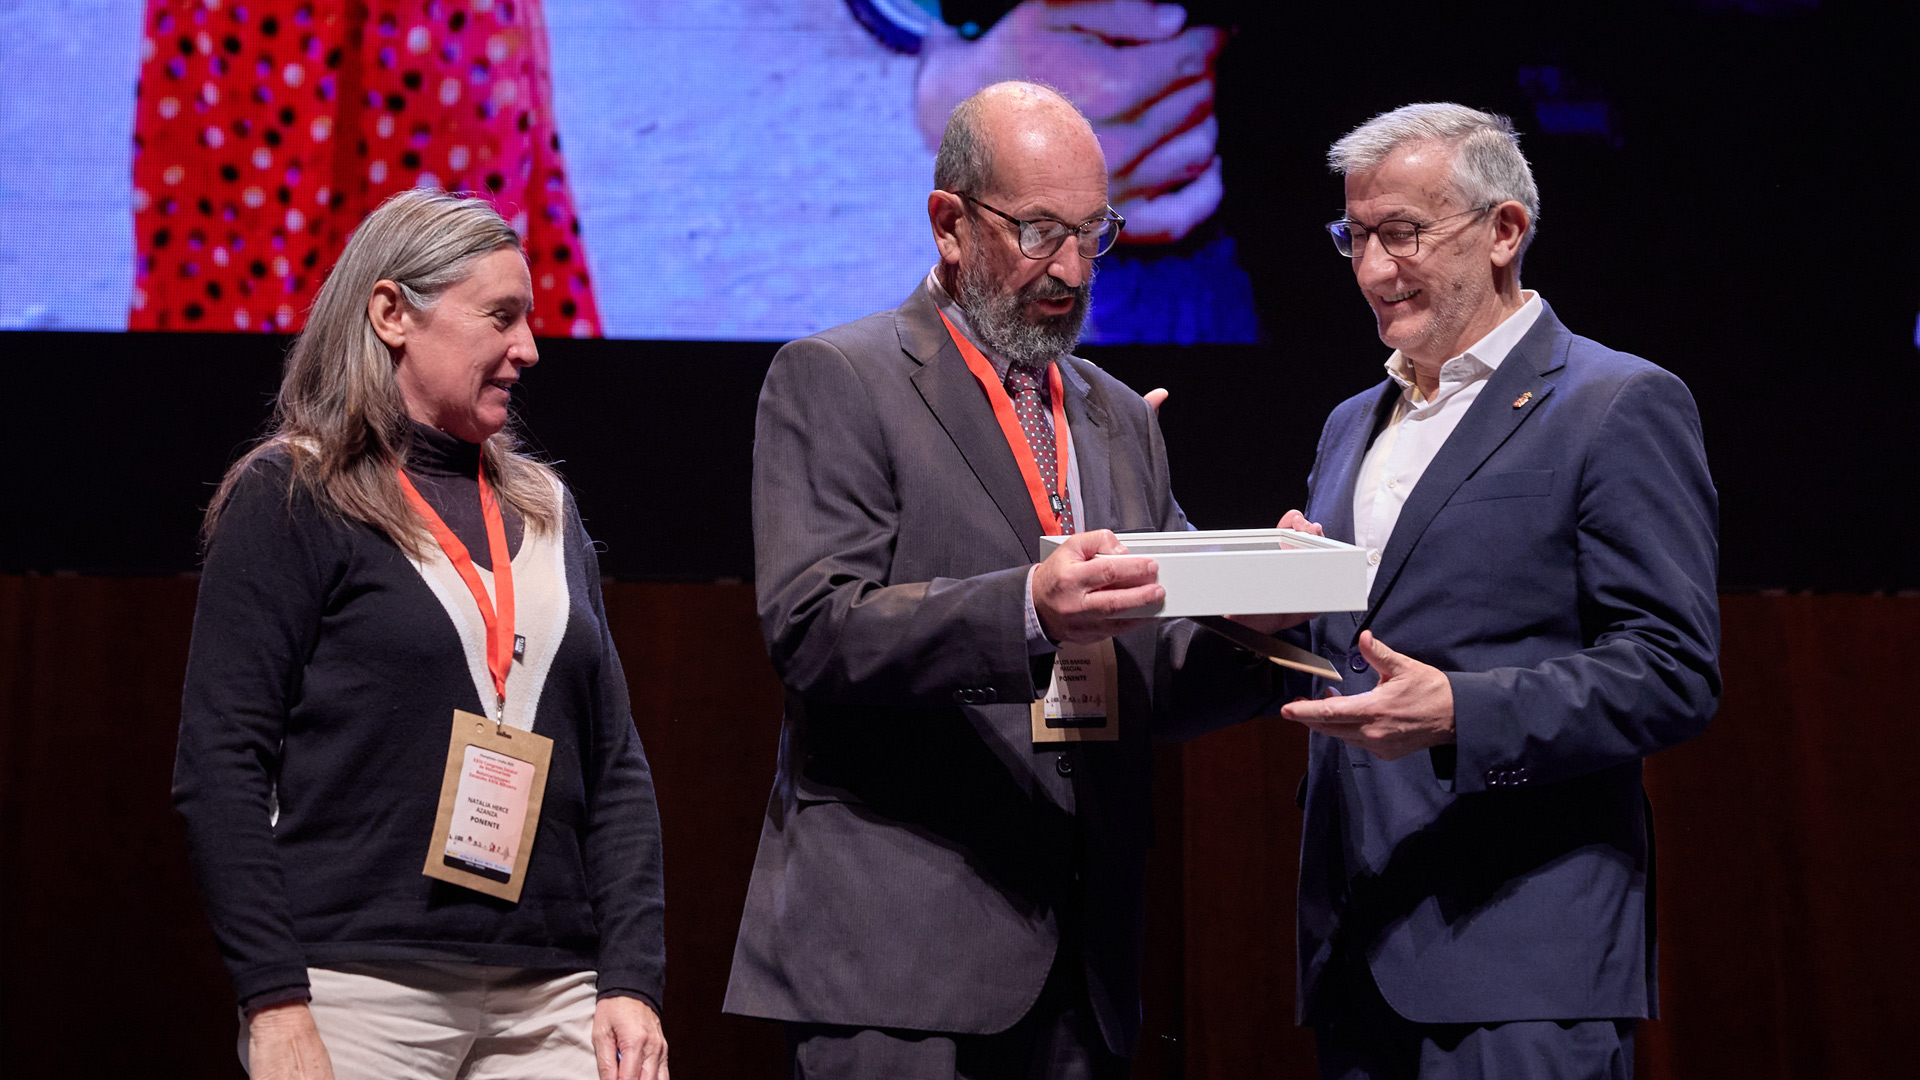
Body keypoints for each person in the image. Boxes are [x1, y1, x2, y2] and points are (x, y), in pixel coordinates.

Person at [722, 81, 1288, 1077]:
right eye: (1036, 234)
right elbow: (814, 628)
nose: (1070, 269)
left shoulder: (1114, 415)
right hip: (898, 965)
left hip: (1082, 968)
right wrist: (1026, 609)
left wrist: (1259, 624)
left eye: (1091, 233)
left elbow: (1155, 671)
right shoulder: (838, 378)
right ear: (948, 223)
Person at [173, 189, 667, 1080]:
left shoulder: (548, 512)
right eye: (501, 318)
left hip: (553, 986)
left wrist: (630, 980)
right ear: (393, 313)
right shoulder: (294, 496)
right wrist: (274, 1000)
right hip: (357, 986)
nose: (529, 349)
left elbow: (617, 764)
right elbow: (220, 763)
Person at [1279, 103, 1721, 1078]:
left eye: (1402, 233)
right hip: (1356, 946)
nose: (1371, 268)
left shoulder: (1615, 401)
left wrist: (1461, 712)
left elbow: (1675, 671)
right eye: (1355, 236)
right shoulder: (1353, 423)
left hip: (1524, 964)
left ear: (1505, 231)